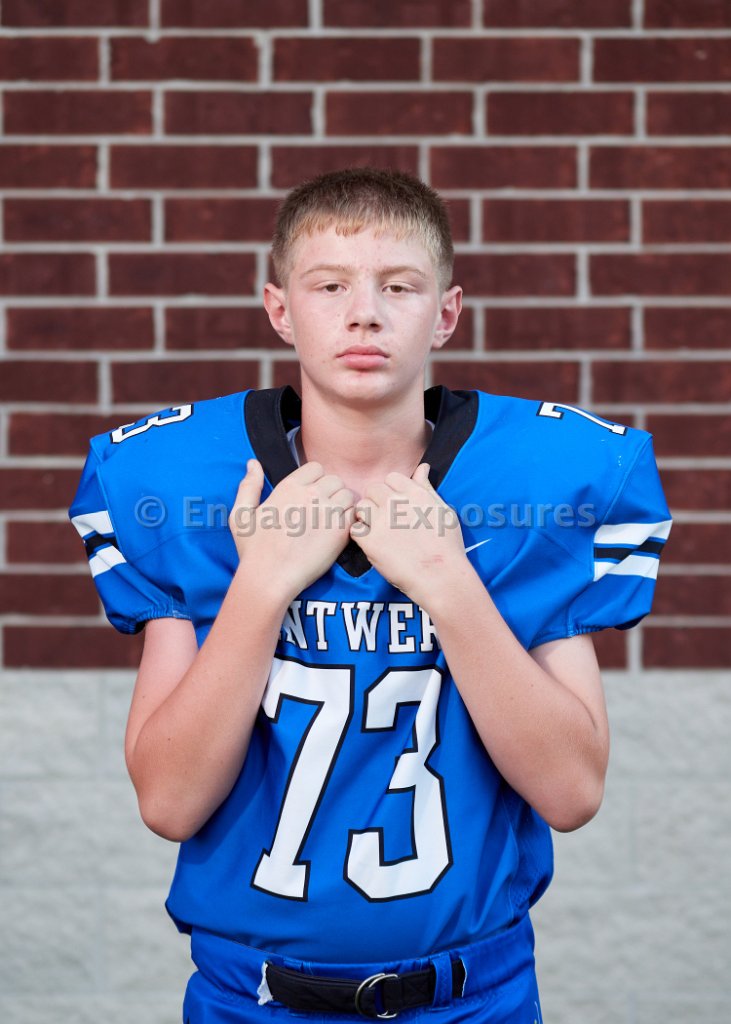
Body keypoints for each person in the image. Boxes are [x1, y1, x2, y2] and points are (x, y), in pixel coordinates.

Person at [69, 167, 671, 1023]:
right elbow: (169, 802)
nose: (364, 314)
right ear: (280, 309)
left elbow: (570, 792)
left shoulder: (539, 481)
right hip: (251, 999)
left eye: (399, 286)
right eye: (329, 286)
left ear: (445, 312)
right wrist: (262, 582)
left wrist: (446, 580)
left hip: (473, 996)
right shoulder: (179, 482)